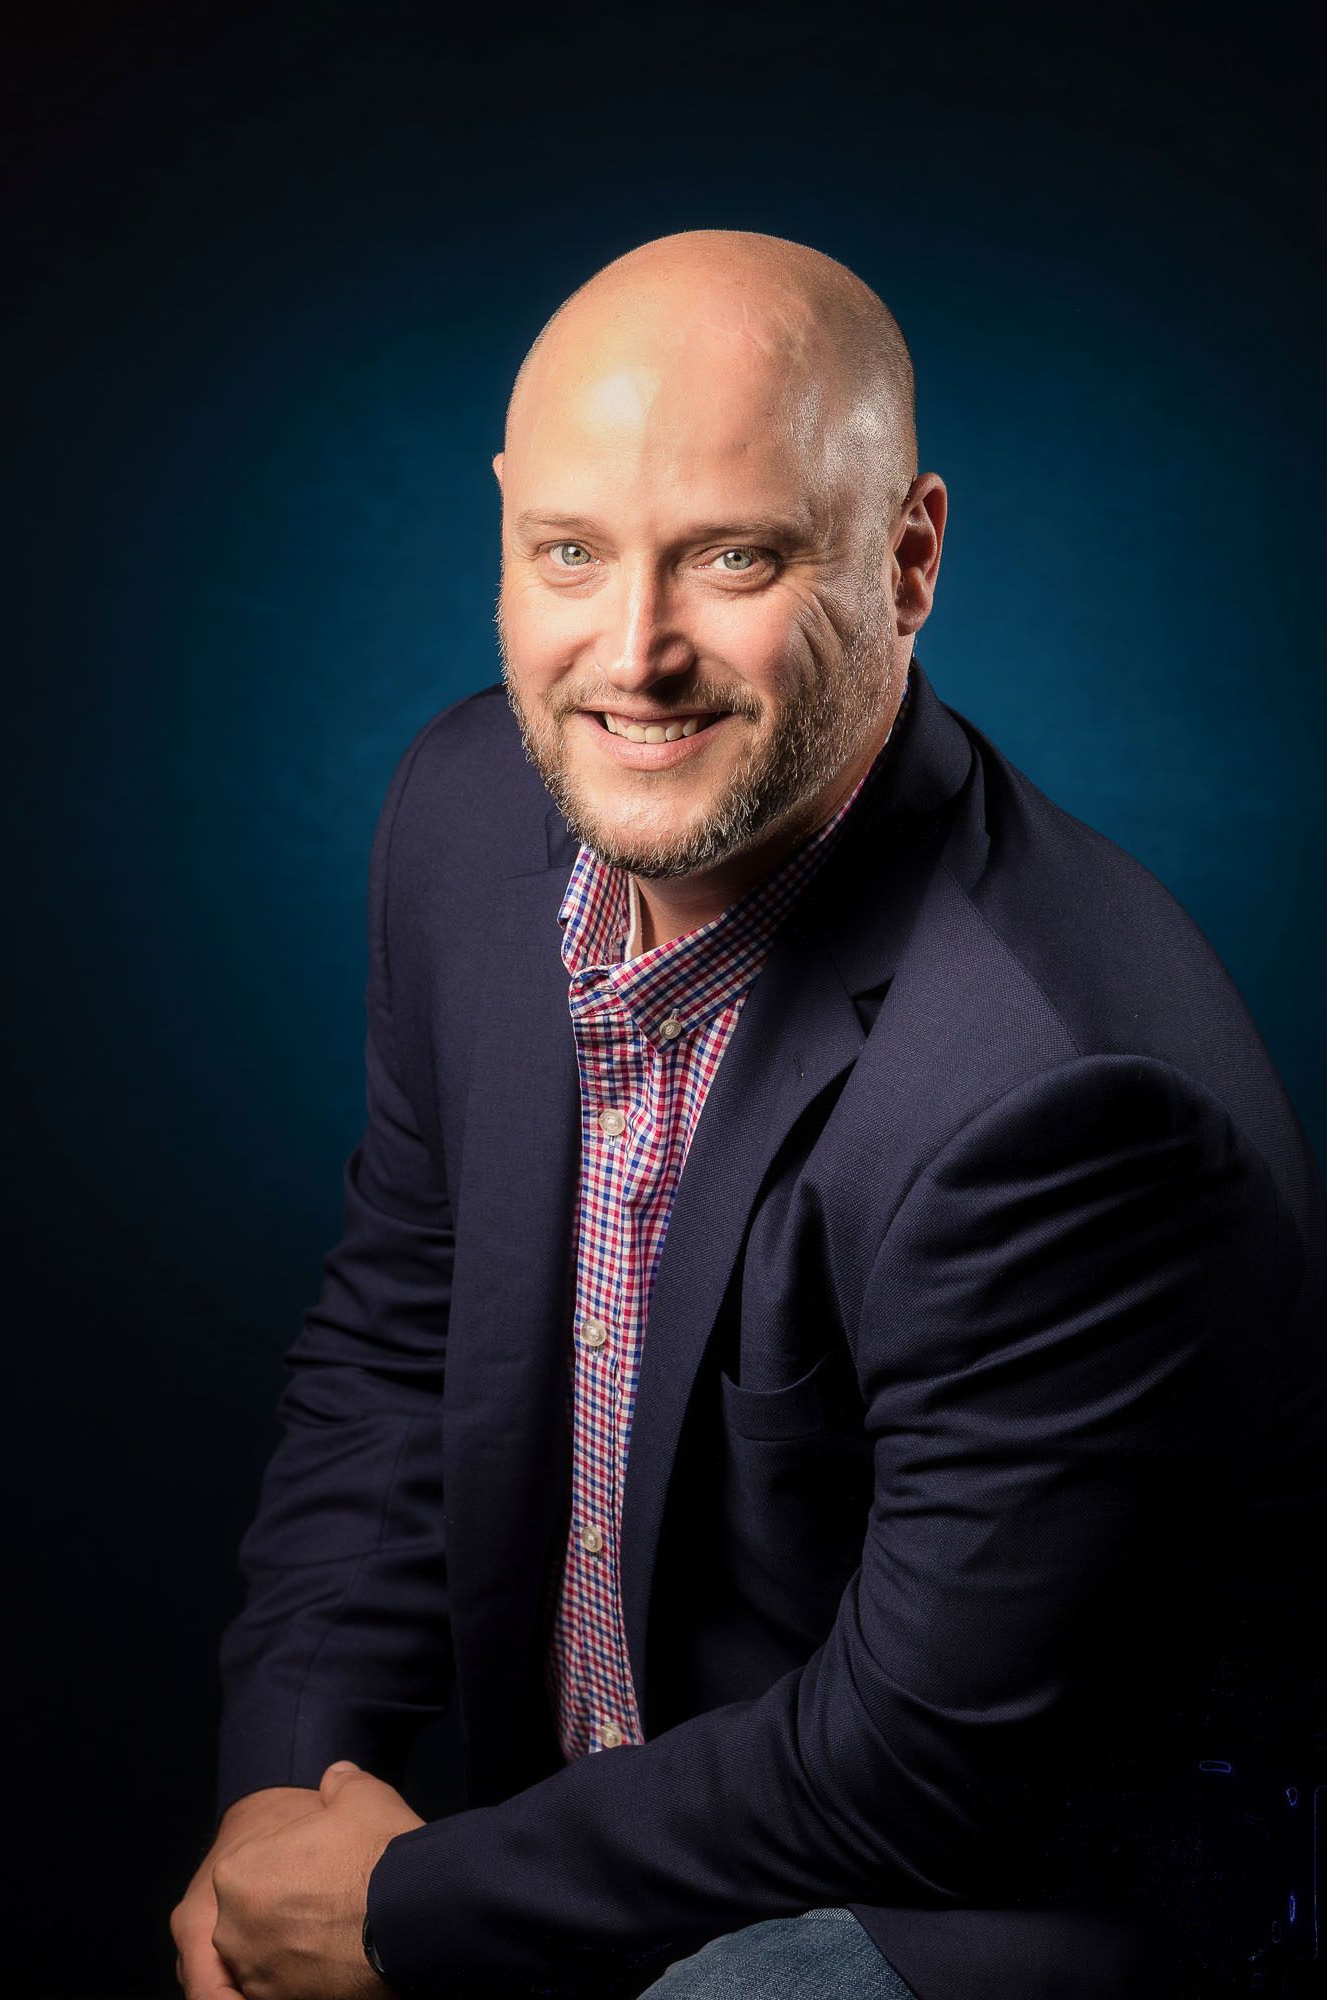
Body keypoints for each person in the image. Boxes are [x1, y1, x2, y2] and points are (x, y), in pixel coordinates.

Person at [171, 230, 1325, 2000]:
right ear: (503, 525)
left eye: (731, 558)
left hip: (971, 1901)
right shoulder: (467, 818)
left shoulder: (1062, 1100)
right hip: (621, 1843)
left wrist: (397, 1914)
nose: (631, 657)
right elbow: (404, 1340)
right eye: (569, 552)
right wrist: (281, 1806)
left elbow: (922, 1767)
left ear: (906, 556)